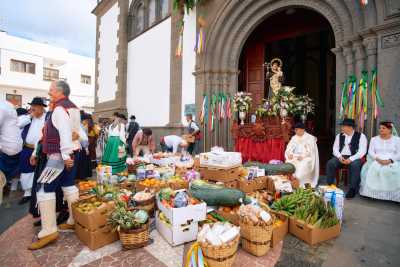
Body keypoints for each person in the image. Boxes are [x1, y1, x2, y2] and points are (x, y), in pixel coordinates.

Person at [28, 80, 81, 250]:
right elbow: (74, 133)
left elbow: (66, 133)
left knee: (43, 188)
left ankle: (49, 230)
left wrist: (65, 155)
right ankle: (74, 220)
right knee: (68, 186)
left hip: (59, 155)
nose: (49, 92)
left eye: (51, 89)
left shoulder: (59, 109)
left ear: (60, 92)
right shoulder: (70, 107)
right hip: (68, 153)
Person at [326, 118, 368, 199]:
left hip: (355, 156)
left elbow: (362, 151)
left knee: (355, 165)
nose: (342, 128)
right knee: (330, 163)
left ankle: (352, 189)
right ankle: (330, 185)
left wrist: (351, 159)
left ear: (351, 127)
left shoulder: (361, 136)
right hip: (341, 156)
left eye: (343, 126)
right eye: (342, 126)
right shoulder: (339, 136)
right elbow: (335, 149)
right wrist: (340, 157)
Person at [360, 121, 400, 202]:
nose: (381, 129)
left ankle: (393, 196)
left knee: (389, 170)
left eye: (383, 128)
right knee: (374, 170)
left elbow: (399, 153)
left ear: (390, 130)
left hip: (392, 160)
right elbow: (371, 151)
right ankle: (372, 194)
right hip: (377, 159)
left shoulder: (397, 140)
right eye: (380, 128)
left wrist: (390, 160)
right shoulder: (374, 139)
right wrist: (378, 159)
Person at [18, 97, 46, 205]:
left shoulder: (46, 118)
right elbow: (18, 123)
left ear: (41, 108)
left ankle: (38, 193)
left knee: (39, 171)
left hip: (40, 149)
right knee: (25, 170)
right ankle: (27, 193)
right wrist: (30, 115)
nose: (32, 108)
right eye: (32, 107)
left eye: (35, 107)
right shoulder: (29, 117)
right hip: (26, 148)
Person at [285, 122, 319, 187]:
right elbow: (289, 148)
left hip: (306, 157)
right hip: (294, 157)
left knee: (303, 165)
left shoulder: (310, 138)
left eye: (296, 130)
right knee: (288, 162)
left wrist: (303, 156)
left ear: (302, 130)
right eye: (295, 130)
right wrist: (289, 154)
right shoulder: (294, 137)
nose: (295, 131)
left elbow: (311, 151)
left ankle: (300, 184)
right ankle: (292, 183)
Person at [0, 100, 23, 195]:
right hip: (12, 148)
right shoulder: (7, 104)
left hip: (8, 150)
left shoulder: (2, 107)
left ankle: (4, 187)